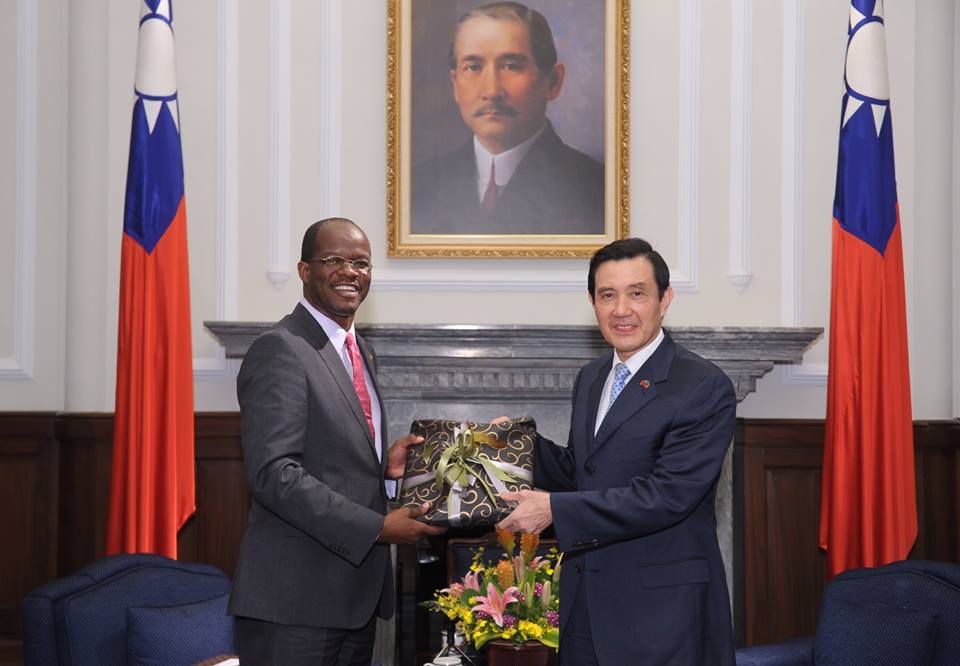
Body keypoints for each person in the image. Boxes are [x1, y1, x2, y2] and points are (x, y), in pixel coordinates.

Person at [498, 238, 737, 665]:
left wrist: (555, 510)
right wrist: (519, 446)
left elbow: (668, 495)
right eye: (607, 295)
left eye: (637, 293)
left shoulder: (702, 385)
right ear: (592, 302)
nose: (621, 309)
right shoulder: (591, 378)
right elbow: (583, 470)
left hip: (662, 618)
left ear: (665, 299)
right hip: (585, 607)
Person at [228, 218, 446, 665]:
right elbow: (274, 475)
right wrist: (380, 527)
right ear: (305, 271)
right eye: (334, 260)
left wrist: (384, 470)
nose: (350, 271)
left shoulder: (360, 350)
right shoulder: (281, 348)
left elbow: (330, 454)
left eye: (361, 263)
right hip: (294, 605)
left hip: (354, 600)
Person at [411, 1, 604, 236]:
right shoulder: (418, 186)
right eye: (473, 67)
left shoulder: (595, 188)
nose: (492, 91)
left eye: (511, 66)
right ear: (455, 85)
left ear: (553, 81)